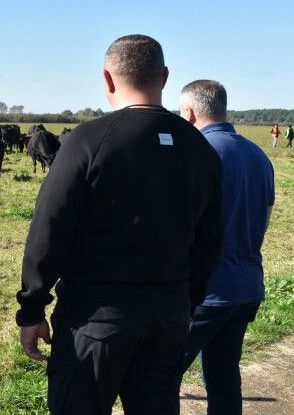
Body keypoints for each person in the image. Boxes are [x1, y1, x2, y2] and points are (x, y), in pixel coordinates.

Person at [15, 34, 223, 415]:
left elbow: (49, 229)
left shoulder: (88, 140)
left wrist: (32, 308)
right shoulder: (200, 148)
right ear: (164, 77)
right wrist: (188, 302)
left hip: (95, 320)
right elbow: (211, 243)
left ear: (108, 79)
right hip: (169, 316)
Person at [178, 80, 275, 415]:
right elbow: (264, 218)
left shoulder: (193, 153)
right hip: (246, 286)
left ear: (189, 112)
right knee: (223, 376)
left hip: (204, 293)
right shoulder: (258, 155)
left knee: (159, 377)